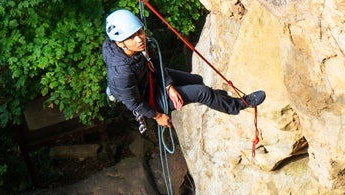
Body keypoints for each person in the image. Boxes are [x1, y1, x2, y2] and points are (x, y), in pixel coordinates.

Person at [103, 9, 264, 133]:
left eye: (139, 32)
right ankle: (240, 104)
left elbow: (155, 61)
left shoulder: (136, 47)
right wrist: (158, 116)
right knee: (202, 92)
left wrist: (169, 86)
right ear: (119, 43)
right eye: (131, 37)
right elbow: (134, 102)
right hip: (148, 99)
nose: (139, 39)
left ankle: (219, 98)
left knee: (197, 80)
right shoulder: (120, 73)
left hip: (151, 77)